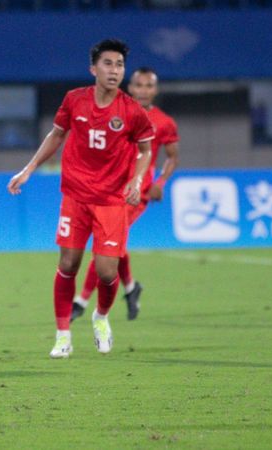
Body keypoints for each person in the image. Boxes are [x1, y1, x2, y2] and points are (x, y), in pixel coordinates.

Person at [7, 39, 154, 358]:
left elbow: (145, 149)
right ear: (93, 69)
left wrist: (137, 178)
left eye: (119, 65)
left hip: (112, 201)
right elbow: (56, 134)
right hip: (75, 196)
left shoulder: (131, 111)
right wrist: (29, 169)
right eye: (108, 64)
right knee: (68, 263)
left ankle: (101, 317)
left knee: (106, 273)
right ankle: (63, 335)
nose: (114, 70)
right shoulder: (74, 100)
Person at [72, 67, 180, 322]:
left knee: (104, 248)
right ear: (130, 88)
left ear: (155, 89)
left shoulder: (164, 122)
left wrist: (161, 182)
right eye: (139, 85)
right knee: (114, 246)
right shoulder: (116, 112)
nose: (143, 90)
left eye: (149, 86)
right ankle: (131, 288)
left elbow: (173, 157)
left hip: (135, 194)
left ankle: (81, 301)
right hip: (108, 189)